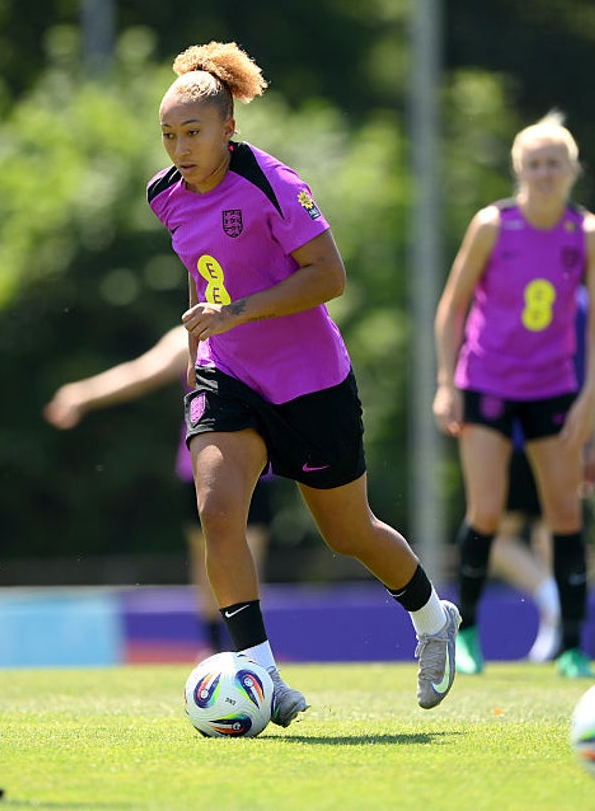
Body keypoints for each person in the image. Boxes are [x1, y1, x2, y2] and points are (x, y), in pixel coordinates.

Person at [149, 40, 459, 726]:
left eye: (192, 132)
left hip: (310, 383)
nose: (179, 148)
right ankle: (261, 673)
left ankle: (434, 621)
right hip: (228, 375)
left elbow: (330, 277)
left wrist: (236, 311)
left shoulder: (273, 183)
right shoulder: (164, 197)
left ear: (229, 128)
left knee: (349, 533)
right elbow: (201, 270)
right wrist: (204, 342)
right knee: (217, 512)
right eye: (168, 135)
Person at [433, 111, 595, 679]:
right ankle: (467, 635)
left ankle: (573, 647)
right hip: (486, 381)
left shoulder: (589, 234)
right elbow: (452, 306)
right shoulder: (492, 225)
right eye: (534, 164)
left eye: (554, 163)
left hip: (552, 387)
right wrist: (446, 383)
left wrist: (590, 395)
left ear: (572, 169)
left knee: (564, 512)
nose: (544, 173)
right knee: (486, 510)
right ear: (519, 170)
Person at [43, 324, 275, 655]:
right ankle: (215, 648)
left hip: (255, 466)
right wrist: (83, 393)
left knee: (245, 558)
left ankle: (249, 650)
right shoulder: (190, 336)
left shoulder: (261, 330)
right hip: (201, 466)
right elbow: (141, 373)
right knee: (209, 560)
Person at [490, 286, 595, 665]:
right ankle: (555, 624)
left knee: (498, 540)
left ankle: (550, 601)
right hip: (568, 436)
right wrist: (593, 442)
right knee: (551, 536)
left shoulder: (521, 289)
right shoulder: (585, 302)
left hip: (521, 434)